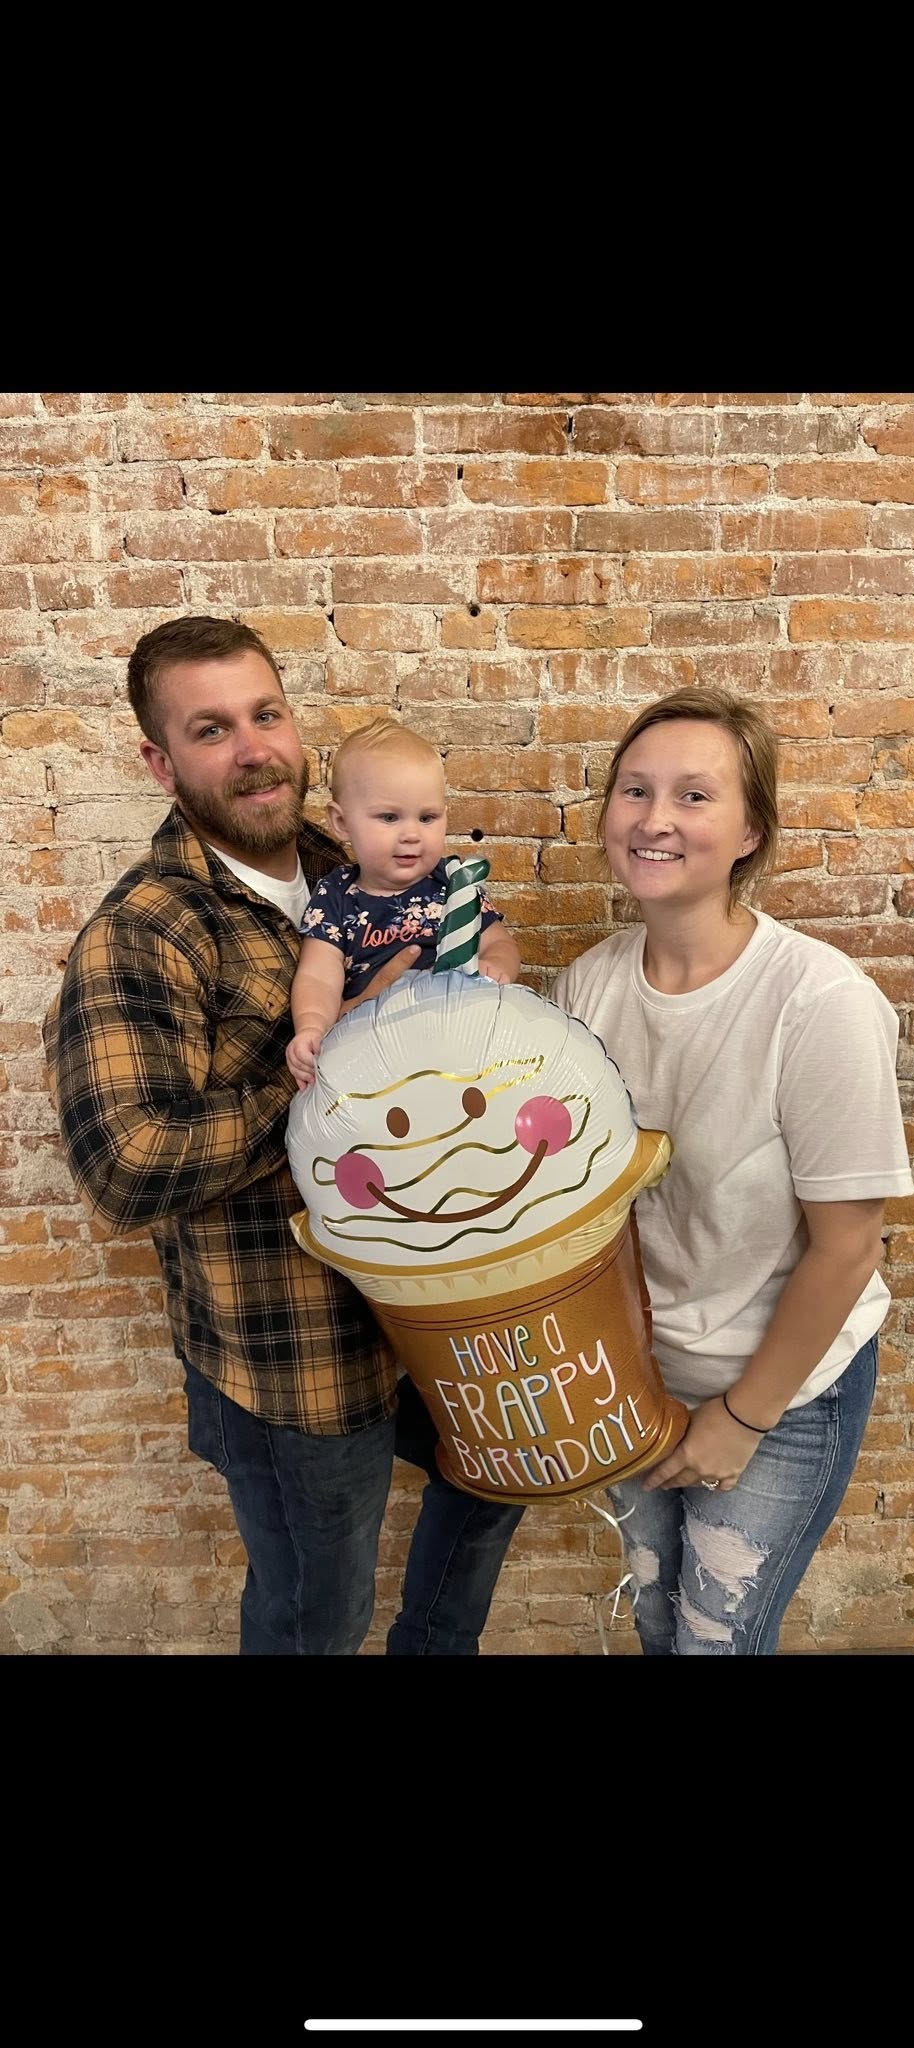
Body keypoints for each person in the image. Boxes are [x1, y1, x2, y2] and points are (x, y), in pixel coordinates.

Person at [43, 615, 525, 1655]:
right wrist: (337, 1061)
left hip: (437, 1306)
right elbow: (126, 1169)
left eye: (266, 713)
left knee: (502, 1474)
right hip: (295, 1362)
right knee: (316, 1615)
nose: (254, 747)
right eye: (212, 728)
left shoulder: (362, 860)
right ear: (158, 761)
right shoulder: (144, 931)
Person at [551, 686, 914, 1656]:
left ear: (751, 829)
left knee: (716, 1641)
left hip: (778, 1393)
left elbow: (846, 1251)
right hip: (637, 1385)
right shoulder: (586, 985)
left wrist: (738, 1419)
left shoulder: (818, 1002)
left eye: (693, 795)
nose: (654, 818)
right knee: (657, 1624)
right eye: (634, 789)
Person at [286, 717, 520, 1088]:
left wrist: (496, 965)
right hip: (372, 1056)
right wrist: (313, 1028)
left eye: (427, 817)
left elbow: (499, 941)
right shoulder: (335, 895)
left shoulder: (453, 885)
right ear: (342, 822)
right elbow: (317, 975)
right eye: (389, 817)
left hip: (458, 1047)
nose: (412, 834)